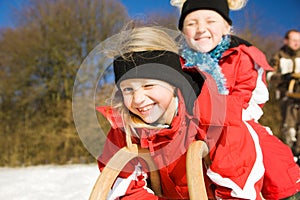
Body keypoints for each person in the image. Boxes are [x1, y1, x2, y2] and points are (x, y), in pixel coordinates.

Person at [171, 0, 300, 199]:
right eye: (191, 23)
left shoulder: (241, 56)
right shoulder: (176, 62)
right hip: (186, 125)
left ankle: (261, 193)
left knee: (267, 154)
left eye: (210, 21)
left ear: (226, 27)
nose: (201, 28)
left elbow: (245, 99)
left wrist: (209, 113)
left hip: (235, 120)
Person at [96, 26, 210, 199]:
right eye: (128, 89)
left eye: (148, 85)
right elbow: (126, 186)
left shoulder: (211, 115)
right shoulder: (126, 128)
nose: (138, 99)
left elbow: (236, 177)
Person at [269, 29, 300, 160]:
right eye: (293, 40)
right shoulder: (278, 56)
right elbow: (269, 76)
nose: (296, 43)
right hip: (285, 96)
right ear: (286, 41)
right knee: (289, 126)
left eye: (298, 40)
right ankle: (291, 154)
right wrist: (285, 77)